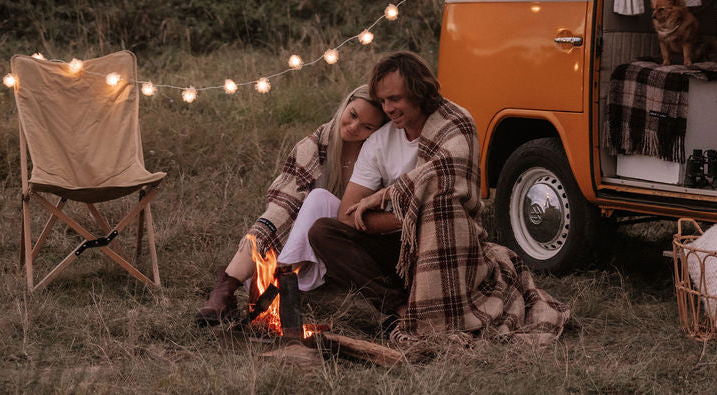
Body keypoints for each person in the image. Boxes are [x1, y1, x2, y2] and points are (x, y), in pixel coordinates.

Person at [309, 51, 570, 344]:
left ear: (419, 91)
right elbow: (348, 215)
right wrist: (409, 219)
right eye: (383, 100)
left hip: (450, 241)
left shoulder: (455, 124)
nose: (388, 108)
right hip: (402, 244)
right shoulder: (381, 141)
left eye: (395, 98)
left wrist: (386, 196)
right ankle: (399, 307)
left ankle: (434, 308)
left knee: (440, 208)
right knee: (323, 231)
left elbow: (443, 184)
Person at [196, 85, 387, 323]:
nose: (354, 127)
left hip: (337, 239)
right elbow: (283, 201)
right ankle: (223, 294)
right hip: (299, 237)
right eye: (353, 115)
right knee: (280, 215)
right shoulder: (313, 146)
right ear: (345, 106)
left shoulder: (376, 154)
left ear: (377, 131)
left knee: (318, 199)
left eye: (367, 127)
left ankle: (278, 276)